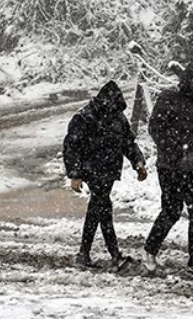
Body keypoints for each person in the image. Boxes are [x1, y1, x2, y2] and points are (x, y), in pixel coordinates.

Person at [142, 59, 193, 273]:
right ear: (192, 79)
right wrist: (175, 149)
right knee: (172, 210)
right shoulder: (169, 97)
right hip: (171, 166)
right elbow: (155, 127)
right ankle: (149, 250)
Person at [62, 81, 147, 270]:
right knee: (102, 208)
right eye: (111, 104)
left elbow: (128, 143)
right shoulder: (85, 118)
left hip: (108, 171)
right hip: (93, 170)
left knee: (99, 209)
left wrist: (138, 162)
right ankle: (111, 254)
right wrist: (75, 175)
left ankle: (88, 254)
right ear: (104, 101)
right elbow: (71, 147)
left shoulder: (118, 118)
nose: (114, 108)